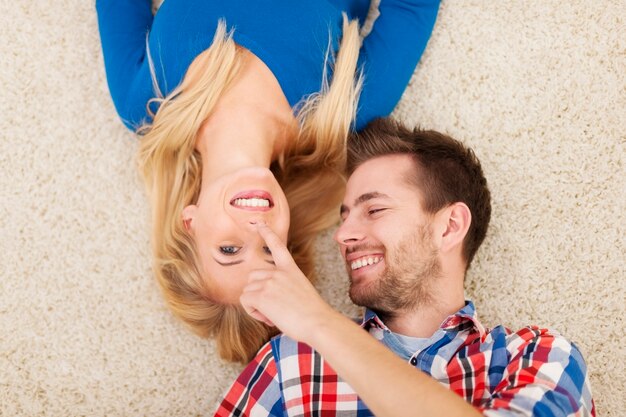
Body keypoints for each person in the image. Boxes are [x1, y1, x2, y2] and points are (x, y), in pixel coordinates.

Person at [95, 1, 441, 363]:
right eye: (269, 251)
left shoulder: (145, 103)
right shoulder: (344, 110)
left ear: (189, 223)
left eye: (229, 250)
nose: (256, 228)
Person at [214, 118, 595, 416]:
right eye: (343, 217)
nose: (342, 234)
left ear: (449, 227)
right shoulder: (287, 363)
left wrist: (318, 321)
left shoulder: (538, 356)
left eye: (374, 209)